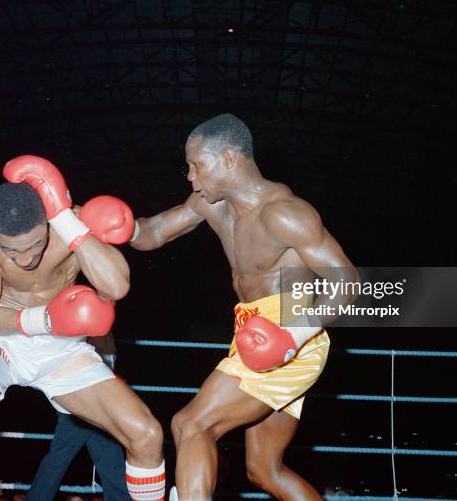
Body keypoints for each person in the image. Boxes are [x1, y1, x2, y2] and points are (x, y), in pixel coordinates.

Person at [129, 114, 358, 500]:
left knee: (191, 424)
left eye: (197, 165)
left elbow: (346, 281)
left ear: (229, 159)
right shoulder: (209, 204)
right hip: (251, 331)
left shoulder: (283, 212)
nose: (189, 176)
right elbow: (150, 234)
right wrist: (99, 223)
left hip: (290, 330)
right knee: (264, 471)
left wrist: (291, 334)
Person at [0, 155, 165, 501]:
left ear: (48, 222)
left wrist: (65, 221)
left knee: (146, 434)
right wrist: (44, 318)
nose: (25, 260)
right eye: (12, 252)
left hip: (62, 349)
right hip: (0, 341)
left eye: (34, 246)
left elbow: (117, 286)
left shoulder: (71, 223)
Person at [26, 333, 129, 501]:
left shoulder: (104, 328)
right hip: (81, 396)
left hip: (99, 397)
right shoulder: (83, 319)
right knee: (62, 456)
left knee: (108, 455)